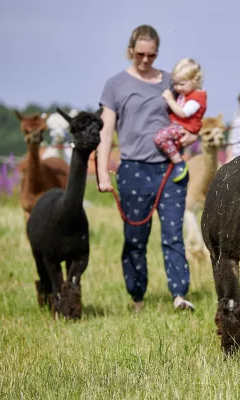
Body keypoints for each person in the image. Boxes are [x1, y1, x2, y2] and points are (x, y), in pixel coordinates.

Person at [97, 25, 197, 312]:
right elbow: (106, 132)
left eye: (151, 55)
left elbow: (191, 116)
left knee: (173, 235)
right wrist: (104, 173)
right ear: (130, 51)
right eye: (140, 54)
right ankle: (137, 297)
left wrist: (193, 136)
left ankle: (179, 295)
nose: (145, 60)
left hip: (170, 169)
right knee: (135, 238)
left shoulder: (170, 81)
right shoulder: (115, 85)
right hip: (132, 169)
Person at [154, 58, 207, 181]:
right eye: (175, 84)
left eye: (181, 84)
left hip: (184, 127)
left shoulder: (196, 98)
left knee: (160, 138)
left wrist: (169, 99)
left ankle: (178, 161)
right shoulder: (187, 94)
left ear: (194, 81)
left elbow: (183, 113)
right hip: (180, 126)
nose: (178, 88)